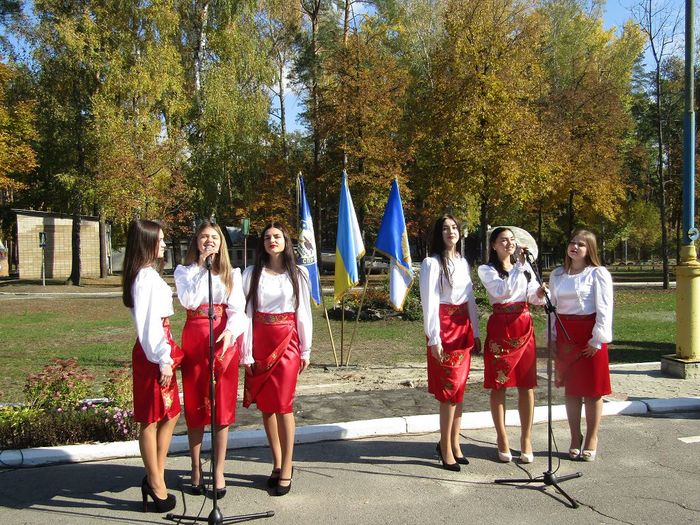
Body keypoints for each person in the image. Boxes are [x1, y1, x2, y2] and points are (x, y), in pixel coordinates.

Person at [174, 221, 247, 498]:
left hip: (223, 338)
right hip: (195, 337)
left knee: (221, 407)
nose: (209, 241)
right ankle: (195, 467)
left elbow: (238, 310)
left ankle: (218, 470)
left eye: (214, 237)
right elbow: (189, 301)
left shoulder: (231, 273)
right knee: (196, 405)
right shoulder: (184, 272)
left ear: (221, 242)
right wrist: (202, 267)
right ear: (196, 242)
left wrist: (230, 333)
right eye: (204, 237)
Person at [242, 223, 312, 496]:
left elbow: (303, 312)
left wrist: (306, 349)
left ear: (286, 241)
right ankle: (276, 462)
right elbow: (247, 314)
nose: (272, 240)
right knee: (267, 406)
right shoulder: (252, 274)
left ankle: (287, 466)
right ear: (262, 243)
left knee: (283, 405)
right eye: (267, 237)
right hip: (260, 342)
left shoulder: (298, 273)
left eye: (277, 236)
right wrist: (246, 352)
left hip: (288, 342)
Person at [122, 220, 183, 513]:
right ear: (146, 243)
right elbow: (149, 325)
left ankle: (156, 473)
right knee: (151, 418)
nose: (164, 244)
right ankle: (156, 483)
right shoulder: (145, 278)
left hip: (160, 348)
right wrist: (163, 358)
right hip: (153, 353)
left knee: (170, 413)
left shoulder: (149, 274)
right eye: (159, 240)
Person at [478, 227, 546, 464]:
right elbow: (502, 292)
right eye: (503, 240)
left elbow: (533, 297)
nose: (509, 244)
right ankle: (502, 437)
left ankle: (526, 439)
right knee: (499, 385)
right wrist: (518, 266)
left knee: (527, 385)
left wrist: (540, 292)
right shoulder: (486, 270)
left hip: (523, 326)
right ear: (494, 245)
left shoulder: (525, 267)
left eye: (512, 240)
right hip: (501, 328)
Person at [419, 214, 481, 472]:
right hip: (444, 329)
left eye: (454, 227)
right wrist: (434, 337)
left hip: (463, 327)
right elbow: (430, 302)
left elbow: (469, 298)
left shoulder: (463, 262)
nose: (451, 232)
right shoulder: (432, 264)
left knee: (459, 390)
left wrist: (476, 331)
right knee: (449, 392)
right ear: (438, 234)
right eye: (445, 228)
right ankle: (444, 448)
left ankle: (455, 443)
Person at [549, 229, 613, 462]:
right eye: (572, 242)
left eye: (581, 244)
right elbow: (552, 308)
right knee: (572, 390)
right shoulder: (557, 274)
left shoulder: (597, 274)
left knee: (593, 390)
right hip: (565, 335)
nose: (574, 247)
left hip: (589, 335)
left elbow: (605, 307)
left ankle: (592, 438)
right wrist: (552, 336)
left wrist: (597, 339)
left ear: (590, 250)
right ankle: (575, 437)